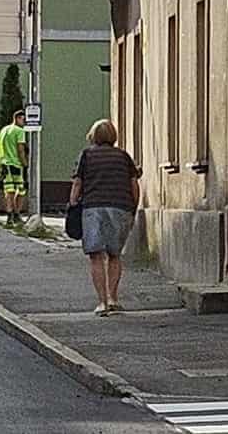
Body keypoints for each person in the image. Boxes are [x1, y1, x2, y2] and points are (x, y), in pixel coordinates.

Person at [68, 119, 141, 314]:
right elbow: (134, 184)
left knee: (95, 256)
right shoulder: (124, 156)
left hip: (93, 208)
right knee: (114, 255)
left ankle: (102, 303)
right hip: (121, 207)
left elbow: (77, 183)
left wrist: (73, 204)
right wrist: (133, 208)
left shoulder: (87, 155)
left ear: (93, 136)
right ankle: (113, 297)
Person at [0, 107, 28, 224]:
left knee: (9, 190)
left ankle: (9, 214)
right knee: (21, 190)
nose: (24, 122)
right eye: (23, 120)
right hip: (16, 164)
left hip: (5, 164)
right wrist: (25, 164)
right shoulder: (19, 131)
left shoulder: (4, 130)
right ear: (17, 118)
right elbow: (20, 149)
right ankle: (17, 213)